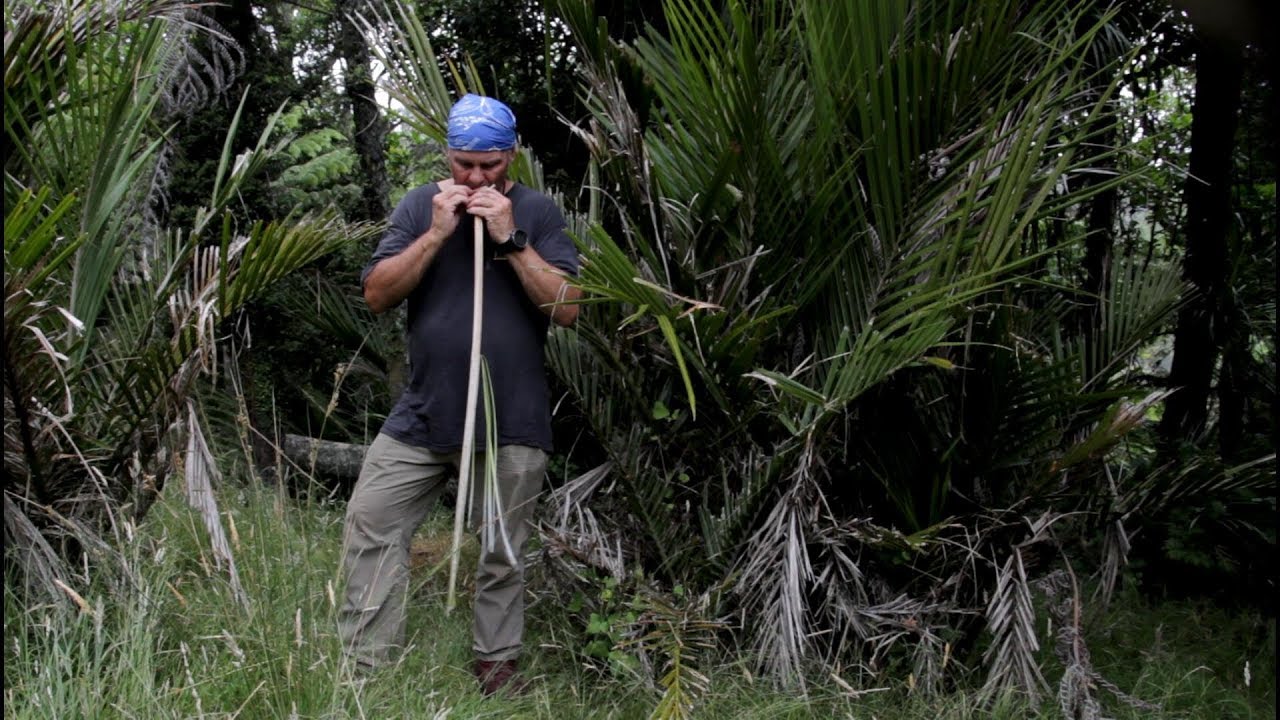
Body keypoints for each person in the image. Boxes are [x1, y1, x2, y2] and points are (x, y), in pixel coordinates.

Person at [338, 94, 581, 695]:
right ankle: (365, 673)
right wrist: (436, 234)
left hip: (511, 419)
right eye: (463, 164)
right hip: (423, 413)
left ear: (511, 155)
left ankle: (496, 671)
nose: (475, 178)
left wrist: (511, 238)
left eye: (489, 165)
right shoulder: (420, 205)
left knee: (501, 550)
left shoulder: (537, 212)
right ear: (447, 155)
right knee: (371, 521)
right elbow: (376, 295)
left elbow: (567, 308)